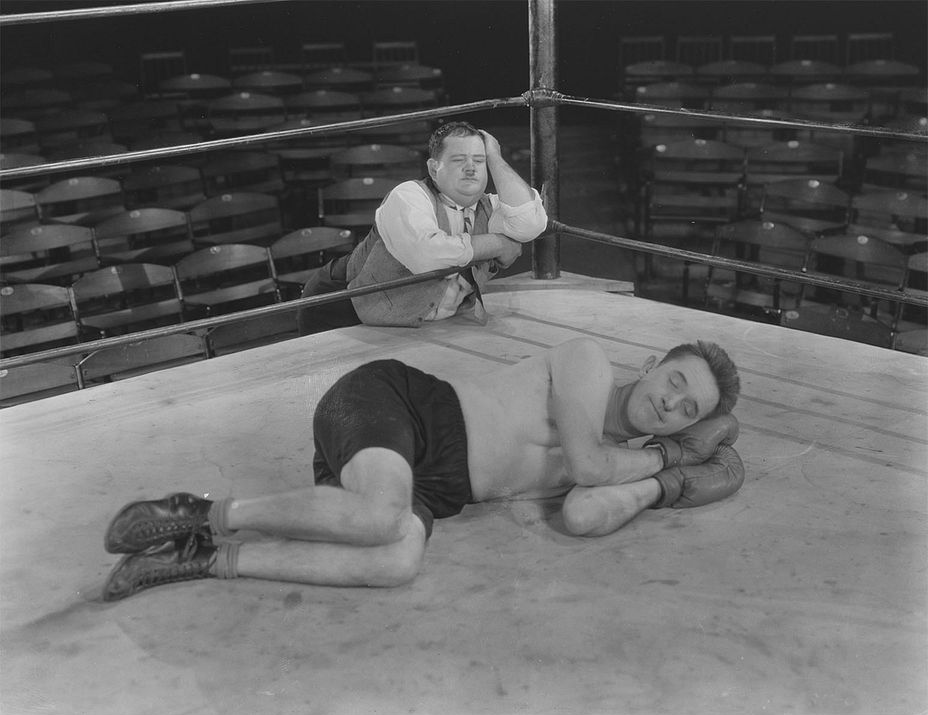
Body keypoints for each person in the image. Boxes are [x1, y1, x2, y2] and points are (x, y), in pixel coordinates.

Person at [101, 337, 743, 601]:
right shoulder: (589, 363)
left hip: (434, 486)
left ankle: (199, 556)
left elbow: (584, 511)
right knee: (381, 515)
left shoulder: (622, 463)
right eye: (676, 381)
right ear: (656, 364)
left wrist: (666, 478)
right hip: (401, 404)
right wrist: (668, 457)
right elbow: (585, 464)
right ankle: (200, 512)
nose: (670, 403)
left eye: (688, 410)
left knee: (398, 558)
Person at [297, 121, 548, 333]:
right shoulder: (408, 196)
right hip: (341, 305)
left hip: (410, 328)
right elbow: (428, 255)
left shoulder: (490, 208)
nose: (471, 168)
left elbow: (531, 223)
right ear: (433, 169)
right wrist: (500, 243)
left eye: (479, 161)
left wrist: (494, 156)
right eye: (459, 159)